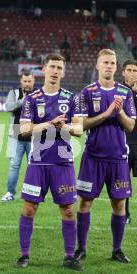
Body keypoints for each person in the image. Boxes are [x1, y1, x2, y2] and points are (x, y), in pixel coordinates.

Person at [15, 53, 83, 270]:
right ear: (44, 69)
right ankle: (24, 256)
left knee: (68, 210)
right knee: (28, 208)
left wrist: (64, 127)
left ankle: (69, 256)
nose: (55, 71)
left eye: (59, 67)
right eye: (52, 66)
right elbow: (24, 129)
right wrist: (48, 124)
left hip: (63, 163)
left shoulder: (72, 98)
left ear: (63, 72)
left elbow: (79, 129)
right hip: (38, 163)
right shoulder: (32, 99)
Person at [75, 49, 136, 263]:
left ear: (116, 67)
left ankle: (117, 250)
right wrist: (105, 113)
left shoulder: (125, 93)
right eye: (105, 63)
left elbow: (130, 126)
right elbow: (81, 125)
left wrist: (119, 112)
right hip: (93, 157)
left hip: (118, 158)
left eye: (112, 63)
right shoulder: (87, 92)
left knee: (119, 205)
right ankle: (81, 248)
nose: (109, 66)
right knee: (85, 203)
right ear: (97, 66)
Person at [0, 70, 35, 202]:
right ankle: (10, 193)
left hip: (33, 135)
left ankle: (34, 192)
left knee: (34, 166)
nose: (27, 84)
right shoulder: (14, 93)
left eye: (29, 81)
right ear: (21, 81)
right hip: (16, 134)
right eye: (25, 81)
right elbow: (8, 107)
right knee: (14, 166)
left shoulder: (38, 94)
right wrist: (21, 101)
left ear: (33, 81)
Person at [122, 59, 137, 224]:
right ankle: (125, 214)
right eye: (130, 70)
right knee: (123, 181)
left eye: (135, 70)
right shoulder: (118, 90)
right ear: (123, 72)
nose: (132, 74)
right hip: (124, 143)